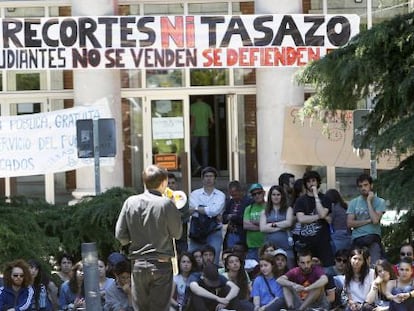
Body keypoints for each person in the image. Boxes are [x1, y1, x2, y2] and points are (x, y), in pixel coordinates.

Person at [115, 164, 183, 311]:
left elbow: (120, 235)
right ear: (164, 182)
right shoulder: (166, 204)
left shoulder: (130, 202)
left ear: (144, 182)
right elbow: (177, 233)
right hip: (161, 263)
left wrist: (135, 240)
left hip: (138, 263)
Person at [294, 170, 335, 268]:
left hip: (323, 243)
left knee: (327, 270)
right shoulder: (301, 200)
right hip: (306, 243)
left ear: (317, 182)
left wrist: (316, 195)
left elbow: (322, 212)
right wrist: (320, 217)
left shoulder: (325, 198)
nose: (311, 184)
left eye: (313, 181)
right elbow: (301, 219)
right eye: (308, 181)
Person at [188, 166, 226, 266]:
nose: (209, 178)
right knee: (193, 259)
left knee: (213, 259)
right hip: (197, 230)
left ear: (215, 179)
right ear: (202, 178)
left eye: (211, 176)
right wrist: (209, 210)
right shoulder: (194, 194)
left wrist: (197, 208)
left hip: (214, 230)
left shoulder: (220, 195)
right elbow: (192, 209)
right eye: (206, 176)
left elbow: (215, 211)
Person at [347, 174, 386, 266]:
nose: (363, 188)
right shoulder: (353, 202)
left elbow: (375, 220)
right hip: (358, 239)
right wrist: (368, 221)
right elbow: (349, 223)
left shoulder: (380, 201)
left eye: (365, 185)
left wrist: (369, 201)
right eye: (360, 186)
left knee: (374, 266)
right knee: (356, 266)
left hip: (373, 238)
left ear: (371, 185)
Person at [260, 185, 295, 268]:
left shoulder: (288, 209)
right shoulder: (265, 211)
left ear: (282, 196)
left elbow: (289, 223)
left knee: (288, 271)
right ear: (270, 196)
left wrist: (273, 225)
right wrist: (282, 226)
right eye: (273, 194)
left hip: (286, 247)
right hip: (270, 248)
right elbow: (262, 228)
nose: (276, 197)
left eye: (278, 194)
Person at [222, 180, 251, 250]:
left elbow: (245, 218)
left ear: (241, 191)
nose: (233, 197)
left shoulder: (248, 202)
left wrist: (232, 217)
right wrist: (227, 217)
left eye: (235, 195)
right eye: (232, 195)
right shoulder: (230, 202)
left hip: (242, 234)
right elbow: (224, 217)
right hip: (231, 234)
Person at [168, 172, 190, 254]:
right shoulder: (161, 199)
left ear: (176, 184)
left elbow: (185, 215)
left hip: (181, 236)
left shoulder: (182, 198)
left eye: (173, 183)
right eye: (168, 183)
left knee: (183, 257)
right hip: (166, 237)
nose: (170, 185)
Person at [190, 96, 214, 174]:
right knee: (205, 151)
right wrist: (208, 126)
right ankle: (205, 170)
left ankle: (196, 164)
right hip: (205, 132)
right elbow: (212, 121)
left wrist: (191, 131)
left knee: (190, 149)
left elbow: (193, 120)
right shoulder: (207, 106)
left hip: (195, 132)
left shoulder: (193, 106)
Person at [243, 183, 266, 261]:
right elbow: (246, 225)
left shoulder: (269, 206)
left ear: (263, 193)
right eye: (254, 194)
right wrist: (263, 226)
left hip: (267, 247)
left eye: (259, 193)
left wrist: (253, 222)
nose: (257, 195)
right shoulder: (248, 208)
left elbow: (271, 222)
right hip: (252, 247)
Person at [325, 188, 352, 252]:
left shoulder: (334, 207)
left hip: (338, 235)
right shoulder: (344, 206)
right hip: (348, 234)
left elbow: (329, 221)